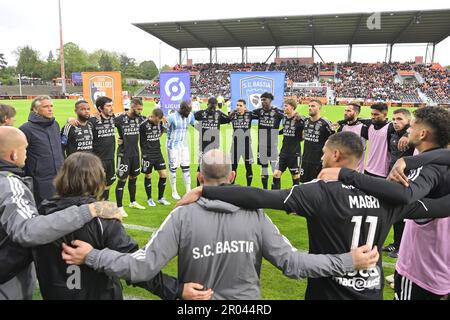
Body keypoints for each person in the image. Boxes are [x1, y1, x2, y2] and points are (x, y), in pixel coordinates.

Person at [62, 149, 379, 300]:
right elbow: (293, 264)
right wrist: (348, 261)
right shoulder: (256, 215)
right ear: (233, 179)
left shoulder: (182, 215)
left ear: (199, 179)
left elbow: (142, 267)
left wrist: (91, 255)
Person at [177, 133, 450, 299]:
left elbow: (259, 197)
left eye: (323, 154)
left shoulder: (317, 192)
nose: (320, 159)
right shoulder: (389, 196)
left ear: (335, 154)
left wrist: (207, 191)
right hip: (370, 292)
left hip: (327, 293)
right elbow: (437, 208)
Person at [33, 152, 207, 300]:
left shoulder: (42, 213)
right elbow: (136, 266)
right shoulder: (104, 220)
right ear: (98, 180)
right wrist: (176, 289)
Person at [318, 106, 450, 300]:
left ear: (423, 134)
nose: (407, 130)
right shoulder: (430, 159)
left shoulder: (431, 168)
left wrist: (347, 175)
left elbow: (406, 196)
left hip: (423, 269)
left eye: (411, 126)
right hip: (439, 268)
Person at [0, 127, 123, 300]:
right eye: (25, 149)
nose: (27, 154)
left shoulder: (46, 208)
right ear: (13, 154)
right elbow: (27, 231)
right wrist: (90, 210)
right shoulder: (9, 184)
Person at [19, 95, 64, 206]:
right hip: (40, 181)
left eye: (51, 106)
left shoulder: (55, 125)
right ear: (35, 109)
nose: (50, 109)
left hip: (60, 177)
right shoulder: (26, 129)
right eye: (46, 106)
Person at [382, 108, 415, 258]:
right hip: (393, 179)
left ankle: (402, 246)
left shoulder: (414, 136)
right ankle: (396, 243)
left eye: (400, 119)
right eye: (394, 119)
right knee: (395, 215)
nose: (395, 122)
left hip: (408, 182)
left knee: (404, 216)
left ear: (409, 121)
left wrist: (410, 132)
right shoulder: (393, 134)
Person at [115, 98, 147, 216]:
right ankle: (119, 207)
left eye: (141, 109)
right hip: (124, 154)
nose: (140, 111)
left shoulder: (140, 119)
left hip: (135, 154)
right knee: (122, 180)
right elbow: (104, 123)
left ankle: (133, 202)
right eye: (138, 109)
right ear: (132, 107)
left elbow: (152, 119)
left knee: (133, 178)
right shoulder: (120, 119)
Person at [194, 96, 230, 186]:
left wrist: (234, 113)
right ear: (207, 105)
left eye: (214, 106)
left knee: (213, 167)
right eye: (211, 106)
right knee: (200, 167)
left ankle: (211, 185)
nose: (213, 108)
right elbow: (191, 118)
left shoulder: (219, 114)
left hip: (215, 146)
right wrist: (198, 127)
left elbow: (229, 119)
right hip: (203, 145)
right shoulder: (201, 114)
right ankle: (198, 186)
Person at [252, 92, 284, 189]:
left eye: (264, 100)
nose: (262, 102)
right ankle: (265, 189)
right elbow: (247, 115)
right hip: (262, 146)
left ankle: (275, 191)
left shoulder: (277, 112)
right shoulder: (259, 111)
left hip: (273, 146)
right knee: (264, 168)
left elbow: (289, 120)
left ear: (270, 100)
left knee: (275, 170)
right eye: (261, 100)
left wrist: (279, 132)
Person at [139, 108, 171, 207]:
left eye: (160, 120)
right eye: (157, 120)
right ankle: (149, 198)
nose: (158, 122)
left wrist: (164, 125)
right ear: (153, 116)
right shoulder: (143, 125)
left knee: (163, 174)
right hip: (147, 154)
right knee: (148, 176)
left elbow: (160, 134)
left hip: (158, 152)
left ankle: (160, 198)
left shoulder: (160, 123)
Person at [272, 98, 304, 189]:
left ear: (292, 107)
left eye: (286, 106)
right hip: (283, 153)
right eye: (284, 106)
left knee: (295, 178)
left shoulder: (300, 120)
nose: (284, 108)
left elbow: (304, 134)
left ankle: (296, 198)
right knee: (276, 174)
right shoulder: (285, 119)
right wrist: (278, 132)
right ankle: (276, 198)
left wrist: (299, 139)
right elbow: (286, 129)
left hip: (295, 154)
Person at [166, 101, 196, 200]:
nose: (188, 113)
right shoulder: (171, 117)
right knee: (173, 168)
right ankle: (174, 191)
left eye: (189, 111)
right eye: (187, 111)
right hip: (173, 146)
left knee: (186, 167)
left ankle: (188, 190)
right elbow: (163, 129)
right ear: (182, 109)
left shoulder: (190, 115)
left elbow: (196, 125)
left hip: (184, 145)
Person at [300, 99, 334, 183]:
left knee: (318, 186)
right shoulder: (306, 121)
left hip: (319, 162)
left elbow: (333, 141)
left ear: (319, 108)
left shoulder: (325, 123)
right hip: (305, 159)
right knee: (304, 185)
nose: (310, 108)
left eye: (313, 106)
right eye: (309, 106)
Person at [334, 103, 369, 173]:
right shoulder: (342, 127)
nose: (345, 113)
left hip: (356, 172)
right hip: (342, 169)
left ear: (356, 113)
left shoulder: (363, 128)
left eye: (349, 111)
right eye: (345, 110)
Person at [229, 99, 253, 186]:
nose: (238, 107)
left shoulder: (249, 114)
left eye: (240, 105)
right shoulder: (233, 115)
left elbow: (261, 115)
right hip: (235, 146)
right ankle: (231, 188)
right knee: (233, 169)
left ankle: (248, 187)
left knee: (249, 168)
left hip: (247, 146)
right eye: (237, 105)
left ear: (245, 107)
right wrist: (231, 113)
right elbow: (225, 119)